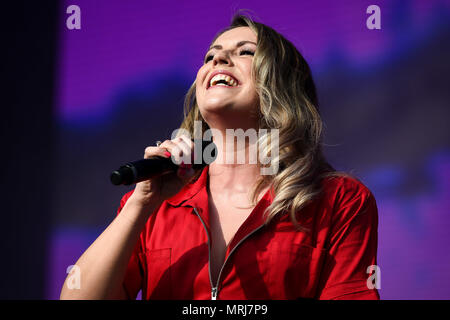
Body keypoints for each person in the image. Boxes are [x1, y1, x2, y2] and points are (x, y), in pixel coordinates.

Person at [60, 14, 380, 300]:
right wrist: (139, 206)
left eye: (244, 52)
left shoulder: (339, 200)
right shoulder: (153, 201)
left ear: (282, 85)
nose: (219, 58)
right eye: (210, 55)